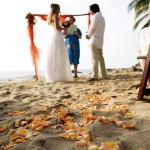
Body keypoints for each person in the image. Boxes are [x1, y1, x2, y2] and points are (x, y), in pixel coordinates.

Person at [45, 3, 73, 82]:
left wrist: (64, 26)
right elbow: (57, 28)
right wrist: (66, 28)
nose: (60, 11)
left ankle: (55, 75)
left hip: (55, 36)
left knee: (56, 55)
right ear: (56, 9)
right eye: (59, 9)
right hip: (57, 36)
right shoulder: (55, 16)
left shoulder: (52, 16)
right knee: (59, 55)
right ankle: (58, 76)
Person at [86, 3, 107, 81]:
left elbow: (92, 28)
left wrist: (88, 35)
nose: (89, 12)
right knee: (101, 58)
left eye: (90, 10)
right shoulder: (102, 17)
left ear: (92, 10)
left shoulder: (95, 17)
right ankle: (104, 75)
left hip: (94, 40)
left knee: (94, 58)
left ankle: (94, 76)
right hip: (100, 40)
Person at [137, 2, 150, 86]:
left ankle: (149, 83)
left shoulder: (145, 31)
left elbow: (146, 53)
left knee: (141, 50)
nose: (147, 11)